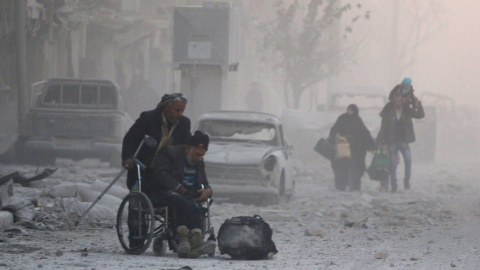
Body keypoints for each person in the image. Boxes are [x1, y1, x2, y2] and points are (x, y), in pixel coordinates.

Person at [149, 130, 216, 258]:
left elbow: (205, 183)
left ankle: (195, 242)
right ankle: (184, 240)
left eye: (202, 155)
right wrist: (178, 187)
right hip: (164, 193)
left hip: (189, 196)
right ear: (188, 148)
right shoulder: (169, 153)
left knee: (193, 203)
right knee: (182, 201)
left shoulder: (199, 161)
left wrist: (208, 191)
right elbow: (160, 174)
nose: (199, 158)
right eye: (197, 154)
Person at [121, 93, 191, 190]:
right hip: (143, 170)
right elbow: (131, 139)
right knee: (139, 201)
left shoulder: (184, 124)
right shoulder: (148, 119)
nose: (180, 114)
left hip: (166, 174)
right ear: (167, 107)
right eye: (177, 110)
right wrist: (127, 157)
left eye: (182, 111)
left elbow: (187, 146)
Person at [376, 78, 425, 192]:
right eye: (396, 99)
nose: (398, 101)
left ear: (402, 100)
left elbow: (420, 115)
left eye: (400, 99)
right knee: (392, 165)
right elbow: (383, 127)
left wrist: (418, 104)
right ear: (393, 99)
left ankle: (406, 183)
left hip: (404, 140)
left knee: (408, 161)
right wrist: (379, 142)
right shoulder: (388, 110)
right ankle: (394, 186)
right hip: (392, 141)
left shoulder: (407, 109)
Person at [328, 104, 375, 191]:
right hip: (342, 149)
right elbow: (334, 130)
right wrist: (332, 140)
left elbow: (365, 134)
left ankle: (353, 186)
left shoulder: (358, 121)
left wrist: (372, 145)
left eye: (351, 110)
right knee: (341, 168)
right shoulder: (342, 119)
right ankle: (341, 186)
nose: (349, 112)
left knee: (354, 168)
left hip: (355, 150)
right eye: (348, 110)